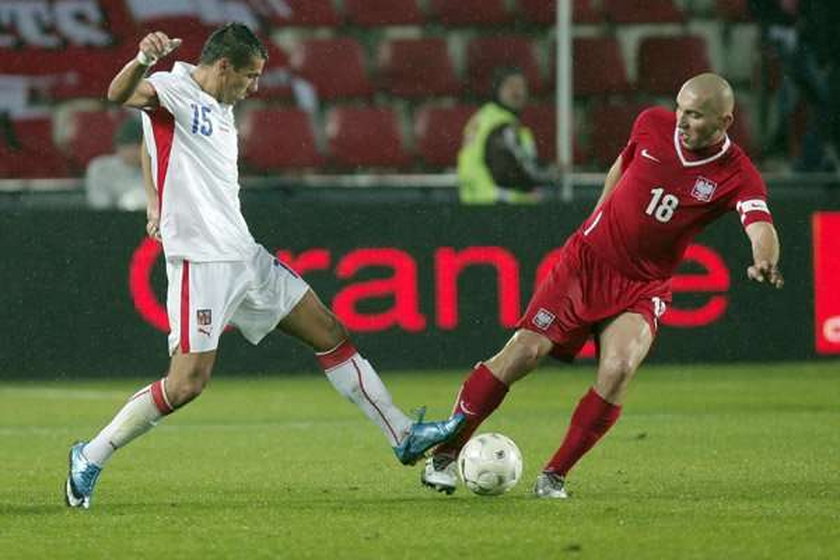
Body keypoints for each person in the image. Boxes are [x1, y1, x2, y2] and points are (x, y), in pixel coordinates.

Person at [65, 23, 464, 510]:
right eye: (250, 76)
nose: (255, 87)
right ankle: (90, 454)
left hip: (246, 255)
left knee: (331, 333)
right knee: (187, 383)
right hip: (202, 260)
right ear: (224, 66)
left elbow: (153, 145)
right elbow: (119, 93)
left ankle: (402, 433)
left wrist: (153, 202)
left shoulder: (222, 105)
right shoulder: (172, 88)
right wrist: (143, 61)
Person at [422, 73, 784, 498]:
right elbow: (623, 165)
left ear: (724, 122)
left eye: (694, 115)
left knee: (619, 369)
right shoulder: (652, 123)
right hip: (586, 263)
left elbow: (759, 223)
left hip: (643, 285)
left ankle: (553, 475)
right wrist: (596, 217)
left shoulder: (737, 173)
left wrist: (765, 259)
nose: (681, 121)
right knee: (523, 353)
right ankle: (444, 455)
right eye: (680, 109)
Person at [457, 67, 554, 204]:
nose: (517, 92)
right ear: (497, 89)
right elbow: (508, 172)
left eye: (521, 86)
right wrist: (550, 174)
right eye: (510, 86)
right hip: (498, 204)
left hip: (475, 201)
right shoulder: (502, 126)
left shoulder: (484, 117)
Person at [84, 117, 147, 210]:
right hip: (110, 220)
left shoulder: (156, 169)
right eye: (127, 146)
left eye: (137, 147)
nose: (133, 152)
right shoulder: (101, 168)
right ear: (118, 147)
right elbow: (99, 205)